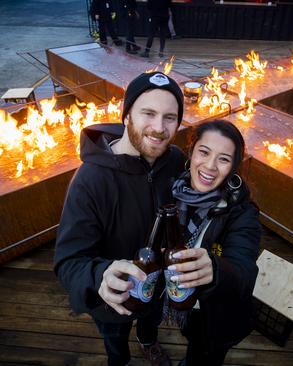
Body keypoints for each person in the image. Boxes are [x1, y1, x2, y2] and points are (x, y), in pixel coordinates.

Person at [54, 72, 186, 366]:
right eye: (148, 113)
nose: (159, 127)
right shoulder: (90, 180)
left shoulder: (175, 160)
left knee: (150, 320)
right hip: (112, 300)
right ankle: (121, 359)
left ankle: (148, 341)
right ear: (126, 116)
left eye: (170, 117)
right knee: (115, 337)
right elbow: (68, 261)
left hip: (158, 284)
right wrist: (101, 277)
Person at [170, 120, 261, 365]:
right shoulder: (174, 190)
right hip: (180, 298)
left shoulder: (243, 214)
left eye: (223, 159)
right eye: (204, 152)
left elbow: (244, 272)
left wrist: (216, 268)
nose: (210, 166)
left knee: (203, 355)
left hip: (216, 315)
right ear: (192, 152)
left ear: (233, 167)